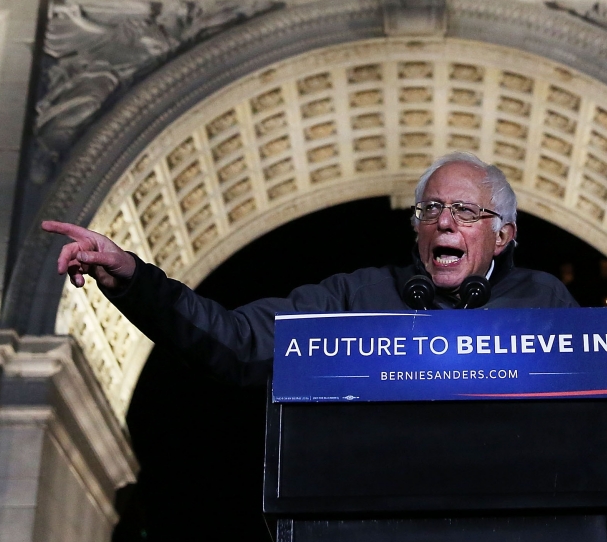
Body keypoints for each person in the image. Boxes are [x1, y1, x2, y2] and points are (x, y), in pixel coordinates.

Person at [44, 152, 577, 384]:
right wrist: (134, 279)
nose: (443, 222)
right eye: (430, 209)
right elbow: (238, 339)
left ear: (503, 234)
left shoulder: (546, 301)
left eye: (464, 211)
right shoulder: (356, 295)